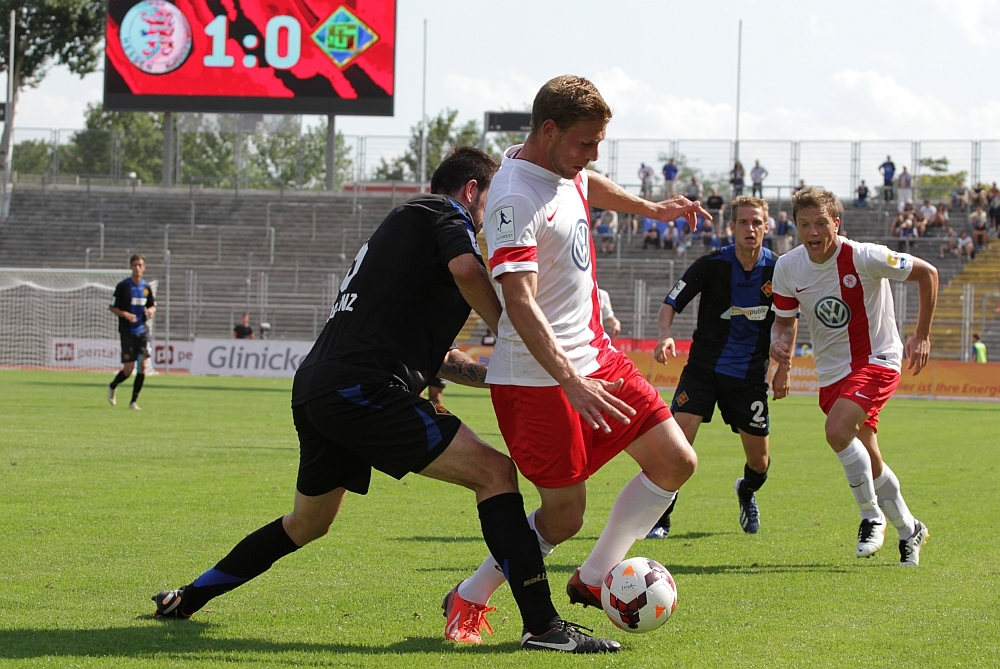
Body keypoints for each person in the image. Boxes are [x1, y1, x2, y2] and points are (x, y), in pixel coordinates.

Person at [150, 148, 621, 655]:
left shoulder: (404, 234)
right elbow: (466, 269)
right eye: (491, 199)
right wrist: (512, 332)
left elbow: (440, 358)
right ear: (471, 191)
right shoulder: (442, 212)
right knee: (496, 475)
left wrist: (508, 373)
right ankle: (543, 625)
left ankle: (189, 597)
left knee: (307, 523)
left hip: (320, 388)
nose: (493, 215)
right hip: (361, 389)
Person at [450, 75, 704, 635]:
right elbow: (517, 300)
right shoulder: (515, 197)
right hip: (539, 380)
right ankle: (470, 594)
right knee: (563, 516)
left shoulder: (562, 167)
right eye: (585, 143)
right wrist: (568, 379)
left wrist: (653, 210)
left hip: (597, 358)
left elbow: (590, 184)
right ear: (549, 130)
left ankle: (593, 578)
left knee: (676, 462)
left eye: (598, 144)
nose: (591, 157)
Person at [770, 186, 937, 567]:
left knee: (836, 430)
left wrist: (922, 334)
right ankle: (909, 528)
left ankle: (870, 516)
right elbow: (783, 322)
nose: (812, 232)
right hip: (832, 373)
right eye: (804, 224)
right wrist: (780, 355)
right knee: (870, 459)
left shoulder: (864, 256)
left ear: (836, 223)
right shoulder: (788, 267)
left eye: (821, 223)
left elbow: (928, 274)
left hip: (877, 359)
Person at [647, 196, 791, 539]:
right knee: (677, 446)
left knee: (760, 463)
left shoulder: (779, 270)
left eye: (756, 222)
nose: (750, 228)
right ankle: (660, 518)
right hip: (703, 369)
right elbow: (671, 302)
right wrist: (665, 336)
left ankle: (747, 489)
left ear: (766, 227)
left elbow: (788, 319)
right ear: (732, 227)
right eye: (743, 222)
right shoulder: (711, 265)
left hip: (749, 377)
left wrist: (783, 366)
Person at [108, 254, 155, 411]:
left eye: (140, 265)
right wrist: (125, 315)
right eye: (135, 265)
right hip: (128, 332)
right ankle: (113, 385)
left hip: (143, 331)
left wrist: (150, 311)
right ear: (130, 267)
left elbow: (153, 306)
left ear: (144, 267)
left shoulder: (146, 288)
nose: (137, 268)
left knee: (142, 365)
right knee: (128, 370)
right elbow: (112, 307)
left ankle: (133, 401)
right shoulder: (123, 287)